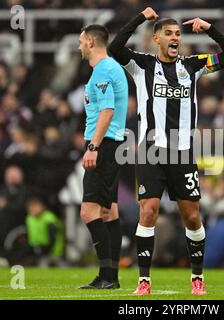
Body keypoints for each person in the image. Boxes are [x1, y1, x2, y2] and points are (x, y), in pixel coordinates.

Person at [108, 7, 224, 295]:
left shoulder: (194, 65)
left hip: (182, 153)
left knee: (192, 216)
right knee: (149, 211)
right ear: (156, 39)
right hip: (151, 152)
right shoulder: (141, 65)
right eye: (168, 33)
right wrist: (141, 18)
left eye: (178, 33)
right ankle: (144, 282)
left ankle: (197, 278)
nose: (175, 37)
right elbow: (115, 47)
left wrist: (210, 30)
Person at [77, 24, 128, 289]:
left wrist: (93, 147)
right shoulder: (109, 68)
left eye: (80, 41)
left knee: (89, 212)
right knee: (108, 212)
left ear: (90, 42)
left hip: (105, 144)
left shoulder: (104, 70)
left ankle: (107, 275)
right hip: (111, 143)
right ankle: (110, 277)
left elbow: (107, 110)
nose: (79, 46)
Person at [26, 196, 64, 266]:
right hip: (37, 249)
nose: (33, 209)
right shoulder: (29, 218)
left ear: (42, 207)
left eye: (36, 206)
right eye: (31, 207)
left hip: (52, 251)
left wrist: (46, 249)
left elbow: (53, 236)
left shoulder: (49, 218)